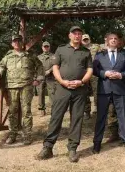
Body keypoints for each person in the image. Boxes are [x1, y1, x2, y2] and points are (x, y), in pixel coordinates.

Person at [36, 26, 93, 162]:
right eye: (75, 34)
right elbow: (55, 67)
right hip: (63, 88)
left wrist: (82, 81)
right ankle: (48, 147)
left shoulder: (86, 52)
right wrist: (62, 81)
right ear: (69, 36)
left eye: (79, 34)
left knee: (77, 118)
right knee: (56, 117)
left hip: (80, 90)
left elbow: (90, 69)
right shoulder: (61, 49)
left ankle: (72, 148)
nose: (77, 36)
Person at [0, 35, 44, 145]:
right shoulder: (8, 56)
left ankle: (27, 135)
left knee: (26, 111)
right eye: (14, 41)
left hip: (26, 86)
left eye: (19, 41)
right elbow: (1, 66)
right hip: (11, 86)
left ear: (22, 43)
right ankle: (12, 135)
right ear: (12, 44)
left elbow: (40, 66)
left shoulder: (30, 56)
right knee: (12, 111)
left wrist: (39, 79)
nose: (16, 43)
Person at [92, 33, 125, 154]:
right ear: (107, 41)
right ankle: (97, 143)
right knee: (101, 117)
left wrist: (121, 75)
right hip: (104, 90)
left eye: (116, 39)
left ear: (118, 41)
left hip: (120, 89)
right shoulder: (99, 55)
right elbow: (95, 70)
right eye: (111, 39)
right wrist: (104, 74)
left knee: (123, 116)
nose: (113, 40)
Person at [82, 33, 100, 119]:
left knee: (96, 90)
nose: (86, 40)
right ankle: (87, 111)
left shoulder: (96, 46)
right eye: (84, 39)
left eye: (87, 39)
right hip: (83, 73)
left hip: (94, 71)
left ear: (90, 39)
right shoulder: (79, 49)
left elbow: (102, 55)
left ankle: (96, 107)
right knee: (84, 92)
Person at [37, 41, 54, 116]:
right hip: (40, 77)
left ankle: (54, 109)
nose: (46, 48)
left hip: (51, 77)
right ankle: (42, 110)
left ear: (49, 47)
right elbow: (36, 67)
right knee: (40, 93)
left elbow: (56, 65)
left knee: (52, 93)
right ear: (42, 48)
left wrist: (49, 70)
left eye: (47, 46)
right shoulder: (38, 57)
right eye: (45, 46)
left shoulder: (54, 56)